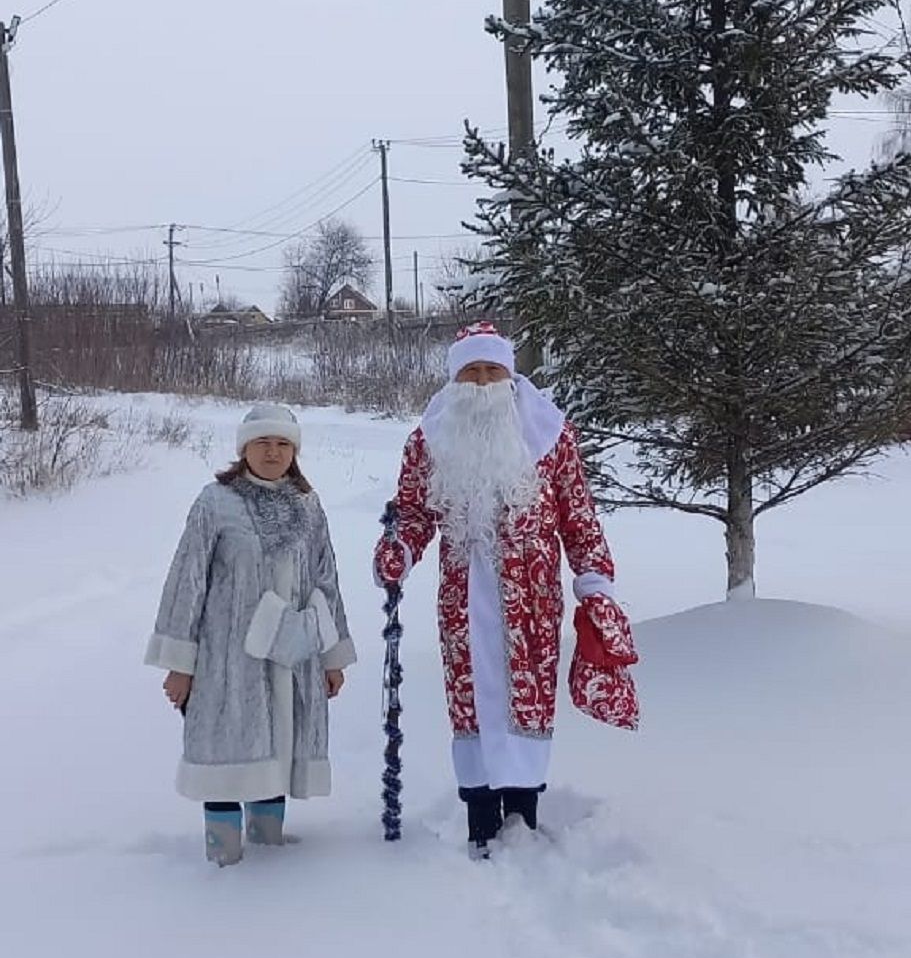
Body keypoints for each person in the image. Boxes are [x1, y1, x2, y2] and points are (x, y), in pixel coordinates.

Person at [374, 323, 639, 859]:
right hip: (463, 601)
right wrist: (399, 548)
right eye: (470, 372)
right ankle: (480, 824)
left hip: (532, 605)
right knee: (471, 702)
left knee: (527, 705)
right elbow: (415, 510)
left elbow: (579, 517)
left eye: (492, 370)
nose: (482, 382)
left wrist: (595, 583)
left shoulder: (551, 434)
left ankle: (523, 818)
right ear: (455, 379)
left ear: (510, 374)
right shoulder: (429, 439)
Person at [145, 403, 356, 866]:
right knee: (224, 756)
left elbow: (326, 577)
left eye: (283, 444)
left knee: (277, 750)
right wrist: (180, 664)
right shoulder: (215, 502)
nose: (273, 452)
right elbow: (187, 581)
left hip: (292, 656)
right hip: (226, 660)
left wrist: (332, 656)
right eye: (263, 442)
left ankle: (269, 857)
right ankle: (224, 864)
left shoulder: (308, 504)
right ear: (244, 447)